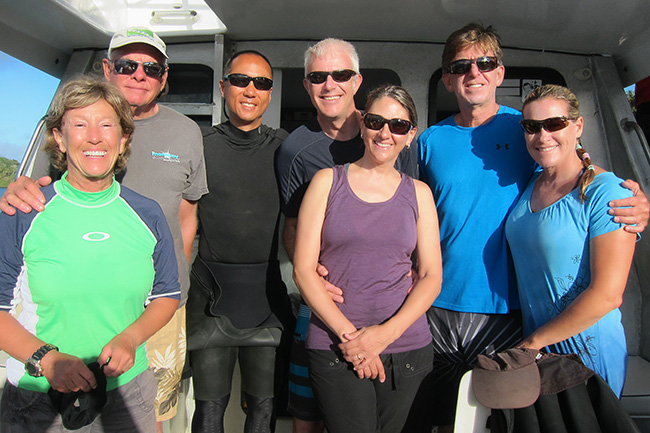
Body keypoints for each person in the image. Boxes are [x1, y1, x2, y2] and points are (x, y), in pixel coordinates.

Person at [414, 23, 648, 432]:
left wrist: (634, 201)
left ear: (500, 73)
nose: (475, 73)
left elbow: (576, 167)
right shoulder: (430, 140)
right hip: (437, 303)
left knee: (500, 420)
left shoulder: (524, 126)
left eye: (485, 63)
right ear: (449, 78)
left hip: (509, 313)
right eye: (462, 65)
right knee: (441, 418)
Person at [0, 27, 208, 427]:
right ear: (58, 138)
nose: (94, 138)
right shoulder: (28, 211)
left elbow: (183, 224)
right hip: (41, 382)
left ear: (123, 137)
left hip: (141, 347)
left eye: (151, 67)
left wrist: (144, 320)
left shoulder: (166, 171)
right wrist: (45, 358)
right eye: (128, 64)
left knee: (158, 412)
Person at [275, 38, 418, 433]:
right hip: (322, 306)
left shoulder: (390, 137)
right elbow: (292, 226)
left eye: (340, 75)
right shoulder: (295, 150)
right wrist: (312, 273)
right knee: (307, 416)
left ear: (356, 81)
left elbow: (411, 213)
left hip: (384, 308)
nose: (329, 85)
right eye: (318, 77)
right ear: (306, 85)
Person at [293, 84, 442, 433]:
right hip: (335, 345)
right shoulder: (326, 182)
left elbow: (432, 275)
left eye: (399, 125)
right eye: (376, 121)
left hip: (406, 348)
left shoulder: (419, 194)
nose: (385, 133)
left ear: (411, 135)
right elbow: (303, 270)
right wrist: (354, 339)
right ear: (362, 123)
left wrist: (382, 336)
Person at [186, 50, 293, 433]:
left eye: (262, 83)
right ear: (223, 86)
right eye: (241, 80)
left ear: (270, 92)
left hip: (266, 297)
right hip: (210, 296)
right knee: (210, 413)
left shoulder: (286, 148)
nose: (251, 90)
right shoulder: (198, 145)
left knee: (263, 413)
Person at [506, 84, 637, 396]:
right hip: (543, 355)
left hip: (586, 355)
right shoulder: (531, 181)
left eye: (554, 124)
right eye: (531, 127)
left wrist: (531, 343)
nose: (542, 136)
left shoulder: (608, 193)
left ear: (578, 126)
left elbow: (608, 295)